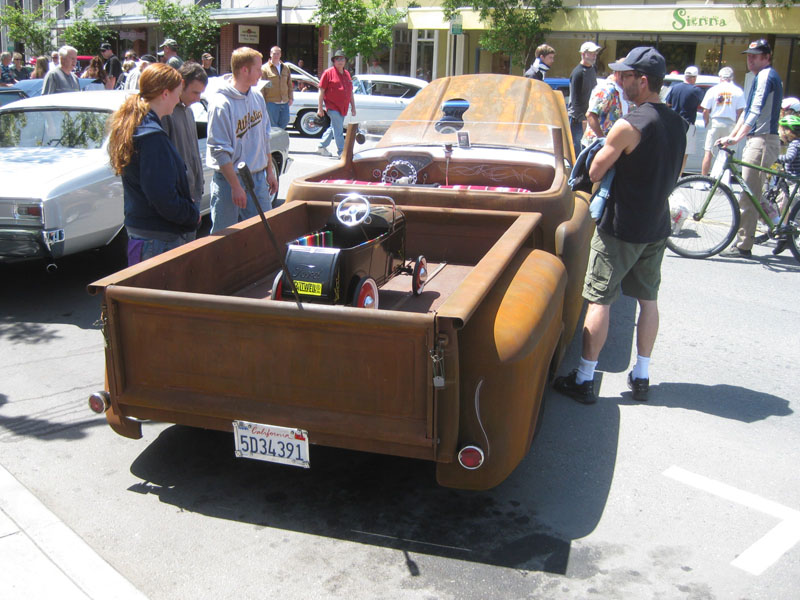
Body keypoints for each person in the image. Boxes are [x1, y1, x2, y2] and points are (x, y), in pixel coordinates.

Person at [553, 47, 686, 404]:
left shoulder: (630, 125)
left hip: (620, 227)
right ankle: (641, 374)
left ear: (642, 82)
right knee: (648, 301)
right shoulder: (677, 123)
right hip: (656, 226)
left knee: (599, 301)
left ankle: (584, 379)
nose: (619, 79)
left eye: (626, 76)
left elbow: (594, 172)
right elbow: (676, 169)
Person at [107, 63, 199, 266]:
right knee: (159, 297)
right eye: (178, 91)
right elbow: (161, 196)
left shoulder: (141, 126)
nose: (179, 97)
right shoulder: (151, 137)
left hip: (146, 233)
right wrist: (191, 215)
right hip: (156, 238)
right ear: (165, 93)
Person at [718, 39, 783, 257]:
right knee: (753, 192)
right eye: (748, 55)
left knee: (748, 194)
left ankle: (744, 245)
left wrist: (736, 138)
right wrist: (733, 136)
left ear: (767, 57)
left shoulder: (765, 76)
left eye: (756, 56)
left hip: (762, 140)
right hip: (759, 139)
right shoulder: (761, 76)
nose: (750, 59)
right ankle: (779, 228)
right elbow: (747, 113)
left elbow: (754, 112)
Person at [206, 47, 279, 233]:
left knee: (264, 233)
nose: (261, 73)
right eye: (257, 69)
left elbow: (265, 137)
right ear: (244, 70)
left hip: (257, 178)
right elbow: (219, 150)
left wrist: (269, 171)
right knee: (224, 237)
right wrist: (235, 186)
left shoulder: (257, 97)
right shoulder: (222, 104)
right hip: (228, 180)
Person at [161, 63, 208, 240]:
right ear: (181, 85)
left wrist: (198, 186)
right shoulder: (167, 113)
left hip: (193, 194)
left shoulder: (189, 112)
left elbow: (193, 152)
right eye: (195, 92)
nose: (198, 98)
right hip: (178, 198)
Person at [699, 67, 745, 175]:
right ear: (732, 77)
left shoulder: (713, 90)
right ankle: (724, 181)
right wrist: (737, 128)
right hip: (730, 124)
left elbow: (705, 110)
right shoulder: (738, 91)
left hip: (715, 122)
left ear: (720, 77)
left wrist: (706, 122)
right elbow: (740, 112)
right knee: (727, 154)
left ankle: (703, 180)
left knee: (708, 152)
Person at [316, 49, 356, 158]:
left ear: (345, 61)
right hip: (332, 106)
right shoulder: (328, 73)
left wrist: (353, 107)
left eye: (342, 59)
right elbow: (321, 90)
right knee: (338, 129)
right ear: (334, 61)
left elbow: (350, 92)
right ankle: (342, 152)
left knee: (334, 127)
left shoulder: (347, 74)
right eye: (337, 59)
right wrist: (320, 108)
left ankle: (321, 146)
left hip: (343, 107)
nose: (340, 61)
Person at [666, 66, 705, 172]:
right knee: (684, 153)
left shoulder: (675, 88)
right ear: (694, 78)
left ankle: (669, 175)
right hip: (688, 124)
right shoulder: (696, 90)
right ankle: (679, 176)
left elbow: (668, 103)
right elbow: (704, 106)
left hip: (673, 123)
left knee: (672, 151)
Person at [568, 41, 601, 157]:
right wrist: (582, 120)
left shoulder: (593, 69)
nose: (594, 55)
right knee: (578, 152)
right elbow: (575, 100)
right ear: (583, 54)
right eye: (591, 53)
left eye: (595, 53)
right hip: (578, 119)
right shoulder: (577, 73)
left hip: (590, 117)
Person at [582, 67, 630, 147]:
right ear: (618, 74)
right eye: (628, 75)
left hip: (612, 144)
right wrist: (602, 140)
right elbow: (591, 115)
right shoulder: (607, 89)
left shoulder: (621, 91)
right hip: (596, 145)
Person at [261, 46, 293, 130]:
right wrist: (262, 102)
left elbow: (289, 84)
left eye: (278, 53)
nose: (276, 55)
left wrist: (291, 98)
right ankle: (273, 142)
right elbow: (261, 87)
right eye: (274, 53)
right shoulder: (264, 68)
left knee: (285, 121)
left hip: (284, 102)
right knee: (272, 126)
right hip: (271, 102)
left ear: (280, 54)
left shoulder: (285, 68)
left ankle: (279, 140)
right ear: (270, 54)